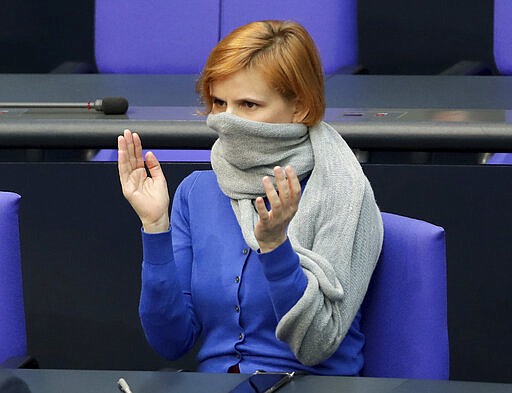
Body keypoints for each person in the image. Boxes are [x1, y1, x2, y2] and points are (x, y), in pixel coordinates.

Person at [117, 20, 383, 376]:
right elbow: (171, 342)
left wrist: (276, 248)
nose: (228, 121)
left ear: (300, 107)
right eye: (218, 103)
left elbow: (317, 343)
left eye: (248, 105)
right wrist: (155, 228)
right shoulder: (196, 192)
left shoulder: (341, 191)